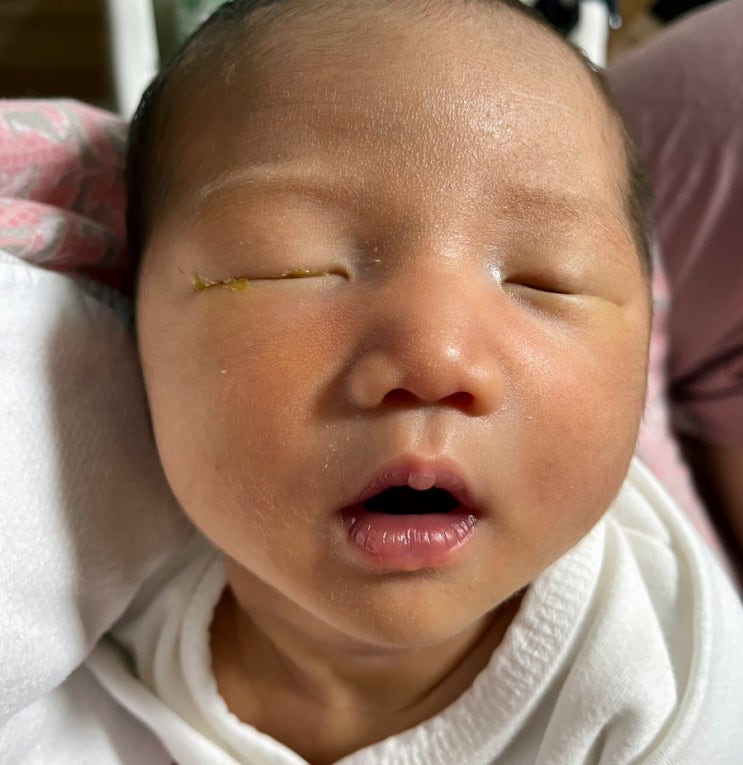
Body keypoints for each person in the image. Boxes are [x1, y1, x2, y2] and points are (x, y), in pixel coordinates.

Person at [2, 1, 742, 763]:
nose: (436, 359)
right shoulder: (86, 563)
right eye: (291, 266)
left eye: (545, 280)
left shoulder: (668, 689)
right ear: (131, 310)